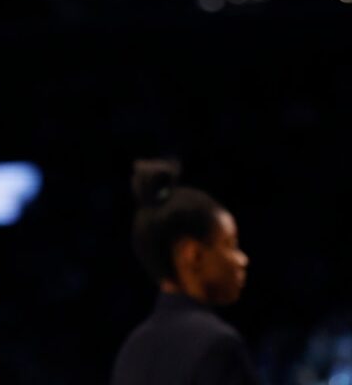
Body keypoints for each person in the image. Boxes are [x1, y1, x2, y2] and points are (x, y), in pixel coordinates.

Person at [111, 158, 259, 385]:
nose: (242, 260)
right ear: (192, 255)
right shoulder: (217, 345)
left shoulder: (132, 349)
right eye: (230, 245)